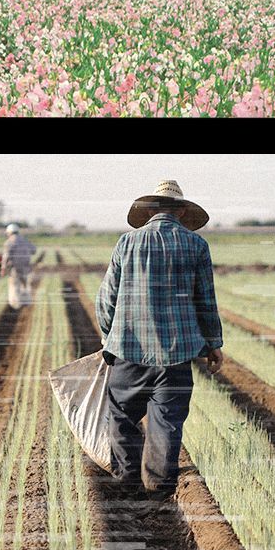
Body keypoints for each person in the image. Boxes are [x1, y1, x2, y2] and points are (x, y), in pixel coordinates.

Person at [95, 180, 223, 500]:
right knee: (167, 420)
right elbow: (205, 300)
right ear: (181, 211)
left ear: (150, 210)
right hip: (177, 352)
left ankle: (127, 479)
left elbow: (107, 298)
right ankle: (160, 488)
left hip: (129, 349)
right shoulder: (196, 246)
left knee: (121, 415)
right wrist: (213, 343)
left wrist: (109, 339)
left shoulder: (127, 243)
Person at [1, 223, 36, 308]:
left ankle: (15, 304)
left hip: (15, 267)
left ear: (9, 232)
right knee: (25, 284)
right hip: (26, 267)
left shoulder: (9, 242)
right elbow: (34, 250)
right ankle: (26, 302)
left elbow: (6, 256)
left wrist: (3, 268)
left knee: (14, 285)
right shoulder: (25, 240)